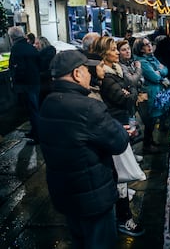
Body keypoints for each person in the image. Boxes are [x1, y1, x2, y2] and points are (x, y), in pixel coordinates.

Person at [38, 50, 130, 248]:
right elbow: (119, 143)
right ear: (76, 74)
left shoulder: (48, 102)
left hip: (65, 193)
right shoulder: (89, 107)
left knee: (80, 241)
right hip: (93, 197)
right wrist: (121, 130)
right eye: (87, 70)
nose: (91, 74)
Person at [91, 37, 146, 237]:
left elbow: (129, 91)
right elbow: (124, 97)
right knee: (119, 173)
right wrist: (131, 91)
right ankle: (124, 219)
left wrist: (130, 91)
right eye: (114, 50)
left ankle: (122, 212)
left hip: (120, 123)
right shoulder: (106, 76)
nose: (117, 53)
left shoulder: (116, 70)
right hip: (114, 126)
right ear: (105, 54)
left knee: (119, 175)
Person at [133, 37, 170, 153]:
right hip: (151, 96)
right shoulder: (142, 62)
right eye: (145, 45)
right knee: (150, 121)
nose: (149, 46)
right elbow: (155, 77)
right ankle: (147, 146)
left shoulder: (152, 58)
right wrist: (160, 73)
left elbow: (165, 70)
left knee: (154, 121)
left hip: (157, 93)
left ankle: (151, 142)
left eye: (149, 43)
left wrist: (161, 71)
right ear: (141, 49)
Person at [8, 26, 41, 145]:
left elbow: (17, 68)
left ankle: (37, 136)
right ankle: (34, 131)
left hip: (25, 84)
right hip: (35, 82)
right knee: (34, 109)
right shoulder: (30, 47)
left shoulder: (16, 48)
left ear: (12, 37)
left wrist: (15, 81)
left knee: (32, 110)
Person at [34, 36, 56, 105]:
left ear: (42, 44)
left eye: (37, 44)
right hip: (50, 83)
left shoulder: (41, 56)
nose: (35, 45)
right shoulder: (51, 53)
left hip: (44, 82)